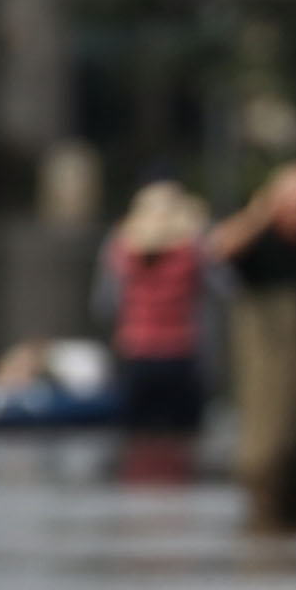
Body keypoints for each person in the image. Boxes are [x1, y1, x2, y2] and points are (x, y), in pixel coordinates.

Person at [207, 162, 296, 531]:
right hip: (268, 387)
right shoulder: (256, 247)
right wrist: (260, 211)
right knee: (266, 464)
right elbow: (216, 249)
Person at [98, 180, 211, 431]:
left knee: (136, 439)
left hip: (136, 353)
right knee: (184, 441)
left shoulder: (118, 252)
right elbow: (218, 290)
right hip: (181, 353)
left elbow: (106, 305)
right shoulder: (194, 252)